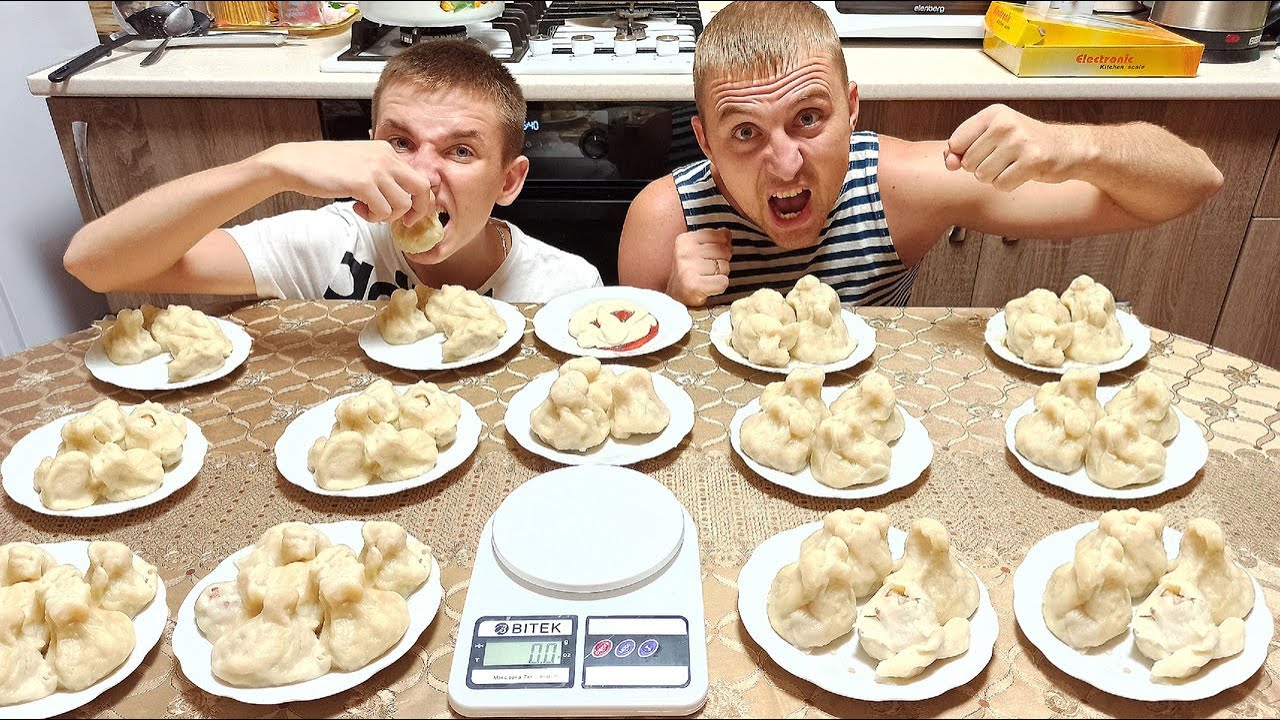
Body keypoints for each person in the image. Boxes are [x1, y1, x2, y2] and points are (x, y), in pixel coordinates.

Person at [617, 1, 1223, 307]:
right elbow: (640, 395)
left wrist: (1075, 146)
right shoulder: (664, 220)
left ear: (852, 108)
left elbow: (1195, 182)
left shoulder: (899, 188)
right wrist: (673, 303)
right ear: (705, 142)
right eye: (745, 133)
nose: (785, 164)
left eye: (808, 119)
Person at [63, 40, 603, 304]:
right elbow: (93, 264)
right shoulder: (331, 245)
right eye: (400, 142)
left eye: (460, 151)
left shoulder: (565, 287)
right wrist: (268, 167)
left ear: (509, 181)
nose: (421, 175)